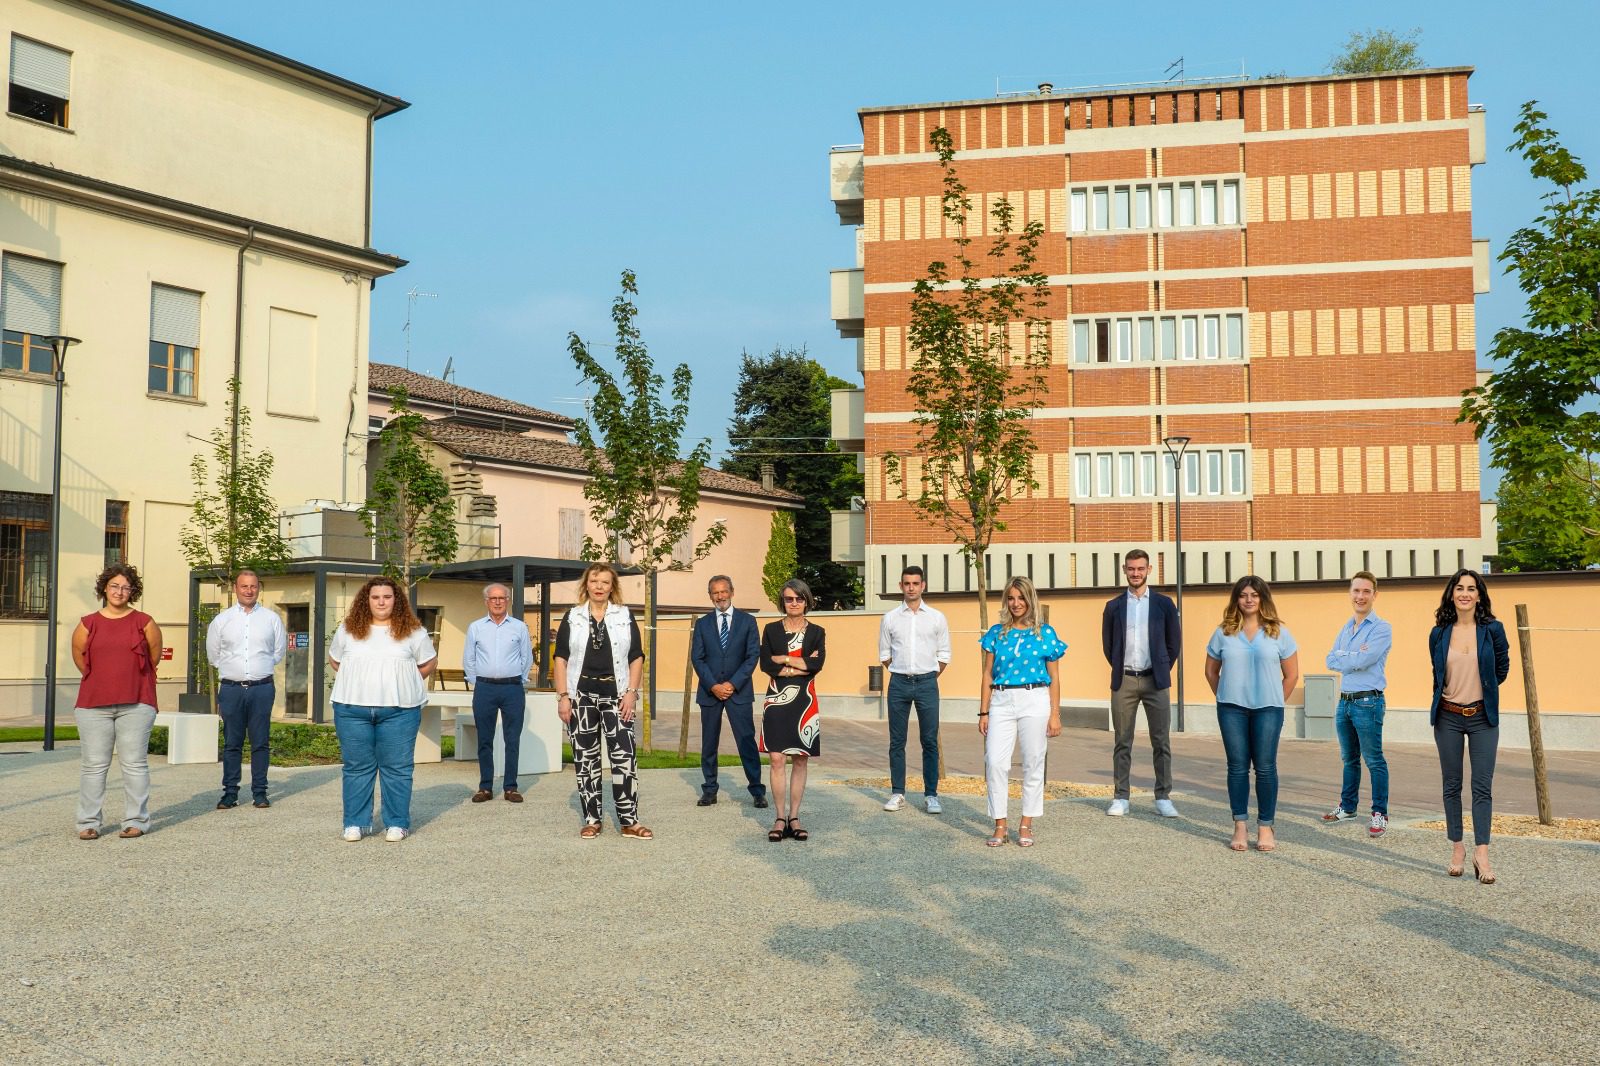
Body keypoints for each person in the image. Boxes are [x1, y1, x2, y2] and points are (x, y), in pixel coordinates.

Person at [328, 577, 437, 842]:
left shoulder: (414, 631)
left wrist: (403, 682)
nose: (381, 602)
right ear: (366, 600)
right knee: (357, 767)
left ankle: (397, 823)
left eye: (387, 597)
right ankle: (355, 823)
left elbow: (428, 663)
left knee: (397, 768)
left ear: (396, 600)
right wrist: (361, 682)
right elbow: (336, 660)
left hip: (400, 711)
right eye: (375, 597)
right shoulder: (348, 629)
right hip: (352, 710)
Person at [552, 562, 651, 839]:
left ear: (612, 587)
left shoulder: (624, 615)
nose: (599, 587)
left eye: (605, 582)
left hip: (617, 697)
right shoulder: (572, 617)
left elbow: (636, 656)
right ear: (586, 585)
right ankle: (592, 818)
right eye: (594, 581)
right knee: (586, 760)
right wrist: (563, 697)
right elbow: (561, 659)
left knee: (624, 759)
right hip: (581, 698)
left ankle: (629, 821)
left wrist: (632, 692)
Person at [1204, 576, 1298, 853]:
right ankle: (1240, 825)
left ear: (1262, 599)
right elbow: (1211, 671)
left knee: (1266, 767)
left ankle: (1266, 826)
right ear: (1236, 599)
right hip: (1231, 708)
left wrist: (1276, 700)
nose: (1248, 600)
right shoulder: (1223, 632)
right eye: (1243, 595)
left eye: (1254, 595)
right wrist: (1225, 695)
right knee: (1237, 767)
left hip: (1268, 709)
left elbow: (1291, 675)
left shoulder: (1279, 632)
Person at [1428, 568, 1510, 885]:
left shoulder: (1493, 630)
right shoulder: (1439, 633)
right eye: (1459, 588)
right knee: (1452, 785)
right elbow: (1437, 674)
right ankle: (1457, 849)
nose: (1465, 593)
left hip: (1482, 717)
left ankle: (1482, 853)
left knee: (1482, 787)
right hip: (1447, 715)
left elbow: (1501, 668)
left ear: (1479, 595)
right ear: (1452, 593)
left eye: (1471, 589)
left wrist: (1484, 689)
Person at [71, 564, 162, 840]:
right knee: (94, 765)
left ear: (132, 591)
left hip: (136, 702)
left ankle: (136, 821)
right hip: (93, 704)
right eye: (114, 586)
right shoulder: (88, 623)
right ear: (104, 588)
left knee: (134, 764)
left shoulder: (145, 622)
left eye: (125, 587)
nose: (119, 592)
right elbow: (79, 656)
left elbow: (153, 657)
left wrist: (130, 679)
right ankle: (88, 822)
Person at [978, 577, 1065, 848]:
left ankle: (1026, 823)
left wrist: (1055, 714)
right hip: (1001, 700)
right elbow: (987, 674)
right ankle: (1000, 824)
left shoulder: (1045, 634)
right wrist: (983, 712)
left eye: (1021, 598)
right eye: (1011, 598)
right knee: (994, 761)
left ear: (1030, 600)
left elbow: (1055, 677)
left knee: (1033, 761)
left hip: (1035, 699)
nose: (1016, 603)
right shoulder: (996, 633)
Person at [1100, 549, 1181, 818]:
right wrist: (1121, 670)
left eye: (1140, 568)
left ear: (1149, 570)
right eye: (1131, 569)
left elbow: (1174, 643)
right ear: (1124, 570)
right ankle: (1121, 797)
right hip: (1124, 680)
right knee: (1122, 741)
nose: (1136, 573)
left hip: (1155, 681)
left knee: (1161, 741)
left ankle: (1163, 796)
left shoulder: (1164, 604)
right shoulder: (1113, 607)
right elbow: (1108, 645)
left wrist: (1160, 668)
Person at [206, 569, 287, 810]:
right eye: (244, 586)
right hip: (231, 689)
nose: (249, 590)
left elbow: (278, 652)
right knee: (232, 742)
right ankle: (230, 793)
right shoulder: (222, 620)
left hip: (261, 688)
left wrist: (257, 670)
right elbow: (214, 655)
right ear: (236, 588)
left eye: (253, 586)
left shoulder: (271, 619)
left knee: (260, 742)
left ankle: (260, 792)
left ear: (258, 588)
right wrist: (235, 671)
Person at [1322, 571, 1394, 837]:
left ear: (1375, 595)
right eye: (1356, 591)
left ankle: (1379, 813)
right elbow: (1330, 660)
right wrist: (1352, 655)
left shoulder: (1381, 628)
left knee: (1374, 760)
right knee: (1348, 759)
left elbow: (1362, 662)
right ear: (1350, 593)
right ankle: (1348, 807)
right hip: (1345, 703)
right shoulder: (1346, 627)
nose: (1360, 596)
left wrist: (1348, 657)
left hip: (1368, 702)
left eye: (1366, 591)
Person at [879, 565, 951, 815]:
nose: (911, 587)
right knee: (897, 741)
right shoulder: (889, 618)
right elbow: (885, 654)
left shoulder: (936, 617)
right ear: (901, 586)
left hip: (927, 683)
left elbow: (944, 654)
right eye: (906, 583)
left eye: (915, 583)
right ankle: (898, 792)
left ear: (923, 586)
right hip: (898, 683)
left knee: (929, 740)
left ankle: (931, 794)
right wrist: (901, 672)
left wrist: (928, 674)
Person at [689, 575, 766, 807]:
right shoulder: (702, 624)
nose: (720, 596)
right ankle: (709, 790)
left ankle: (757, 790)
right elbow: (698, 658)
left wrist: (732, 684)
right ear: (710, 595)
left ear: (732, 591)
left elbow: (753, 656)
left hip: (739, 692)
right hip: (710, 692)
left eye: (723, 591)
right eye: (715, 592)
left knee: (746, 741)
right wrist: (713, 685)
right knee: (709, 743)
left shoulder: (748, 621)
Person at [759, 578, 825, 842]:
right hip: (776, 700)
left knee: (800, 758)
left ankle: (794, 817)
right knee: (776, 759)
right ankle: (778, 817)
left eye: (799, 598)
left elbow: (817, 664)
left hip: (805, 702)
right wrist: (798, 665)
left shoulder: (817, 631)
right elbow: (766, 663)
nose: (794, 603)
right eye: (789, 598)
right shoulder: (771, 629)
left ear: (806, 601)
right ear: (782, 601)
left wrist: (784, 659)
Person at [463, 582, 533, 804]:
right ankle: (485, 787)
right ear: (486, 601)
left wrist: (517, 679)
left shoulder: (519, 627)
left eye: (502, 598)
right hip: (484, 689)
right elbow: (469, 659)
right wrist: (479, 682)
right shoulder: (475, 627)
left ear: (508, 600)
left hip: (512, 689)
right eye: (493, 598)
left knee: (512, 739)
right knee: (485, 738)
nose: (497, 602)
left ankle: (511, 787)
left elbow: (526, 658)